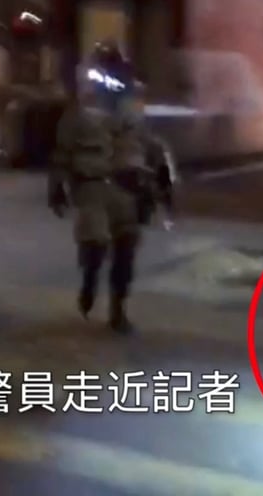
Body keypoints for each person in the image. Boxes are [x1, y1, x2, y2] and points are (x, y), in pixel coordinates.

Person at [48, 41, 174, 334]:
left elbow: (150, 145)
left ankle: (118, 309)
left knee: (125, 251)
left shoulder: (134, 107)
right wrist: (57, 185)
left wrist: (162, 184)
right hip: (93, 185)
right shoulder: (81, 110)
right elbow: (63, 150)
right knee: (94, 245)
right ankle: (90, 282)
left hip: (129, 184)